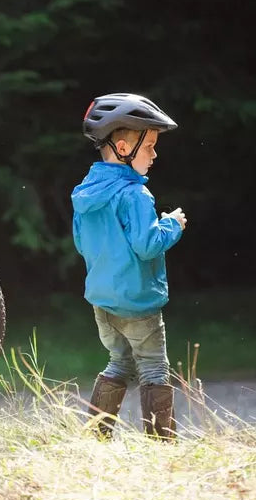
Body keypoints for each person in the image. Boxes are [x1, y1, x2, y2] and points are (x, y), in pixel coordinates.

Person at [72, 93, 187, 439]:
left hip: (102, 303)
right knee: (154, 368)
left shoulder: (86, 191)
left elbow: (81, 244)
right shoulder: (135, 195)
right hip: (137, 304)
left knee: (118, 362)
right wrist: (172, 225)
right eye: (149, 146)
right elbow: (147, 244)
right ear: (123, 148)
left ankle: (95, 436)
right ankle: (161, 444)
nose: (155, 154)